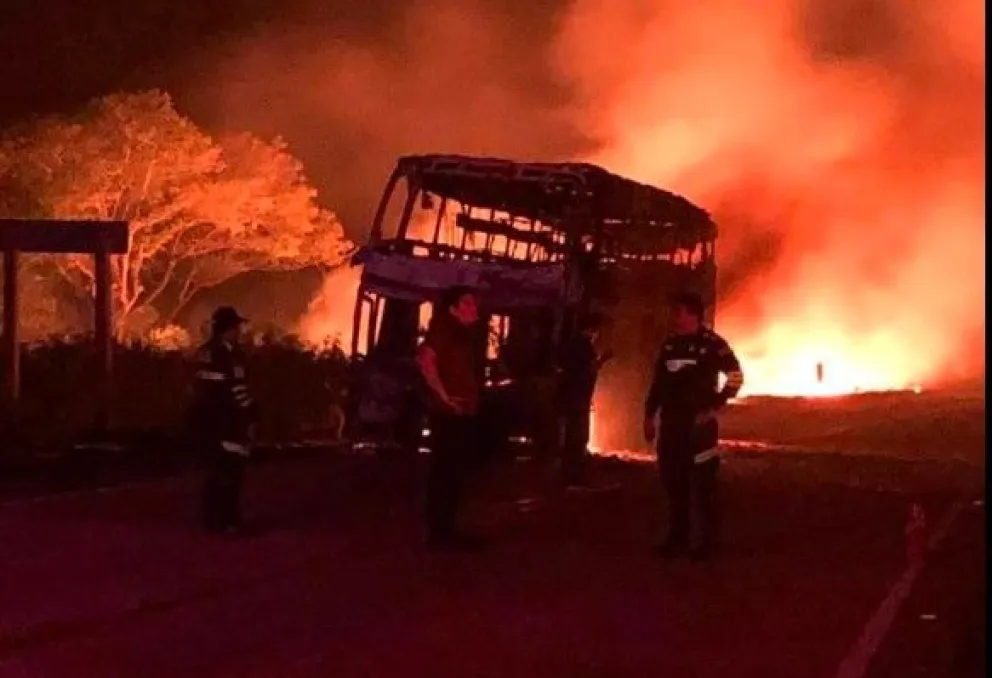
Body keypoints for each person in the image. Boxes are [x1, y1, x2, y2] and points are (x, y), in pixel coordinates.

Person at [643, 292, 743, 560]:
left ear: (693, 315)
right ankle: (678, 539)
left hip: (699, 427)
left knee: (704, 486)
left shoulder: (713, 345)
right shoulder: (669, 347)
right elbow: (658, 384)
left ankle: (708, 545)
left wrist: (715, 406)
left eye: (679, 312)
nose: (674, 318)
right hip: (672, 426)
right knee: (674, 483)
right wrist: (650, 415)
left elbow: (735, 376)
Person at [415, 286, 485, 551]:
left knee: (452, 474)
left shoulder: (460, 335)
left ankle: (446, 530)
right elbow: (425, 359)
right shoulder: (444, 330)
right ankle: (439, 534)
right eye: (467, 304)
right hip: (448, 416)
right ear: (452, 309)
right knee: (445, 473)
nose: (473, 309)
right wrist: (444, 397)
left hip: (459, 413)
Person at [187, 306, 258, 535]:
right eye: (236, 327)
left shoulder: (204, 352)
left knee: (214, 473)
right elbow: (237, 391)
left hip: (206, 423)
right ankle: (229, 522)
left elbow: (198, 389)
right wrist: (250, 417)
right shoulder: (229, 356)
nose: (239, 332)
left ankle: (212, 520)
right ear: (227, 329)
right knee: (231, 474)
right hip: (228, 424)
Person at [556, 312, 613, 488]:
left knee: (572, 437)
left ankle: (569, 476)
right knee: (578, 437)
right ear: (592, 329)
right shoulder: (584, 346)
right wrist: (604, 358)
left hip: (572, 397)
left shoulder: (572, 344)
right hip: (578, 398)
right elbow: (590, 369)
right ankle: (574, 477)